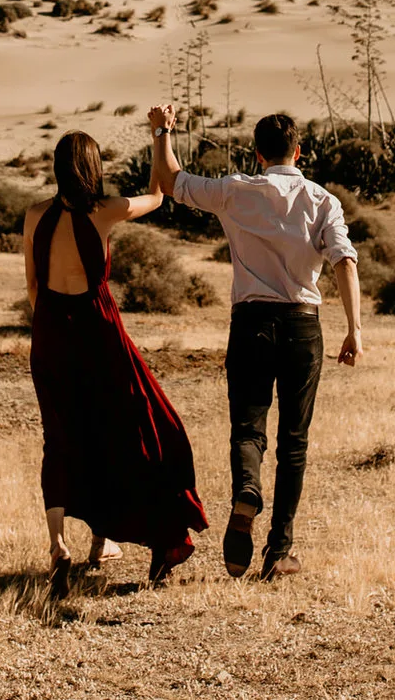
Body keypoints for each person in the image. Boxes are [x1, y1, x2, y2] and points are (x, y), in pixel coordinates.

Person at [150, 107, 361, 581]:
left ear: (258, 153)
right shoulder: (322, 200)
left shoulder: (234, 190)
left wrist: (163, 131)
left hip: (250, 323)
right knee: (294, 442)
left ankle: (247, 488)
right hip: (303, 326)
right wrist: (355, 329)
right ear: (299, 152)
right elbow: (345, 262)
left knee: (248, 428)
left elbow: (171, 181)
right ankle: (278, 551)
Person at [23, 128, 208, 590]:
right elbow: (156, 197)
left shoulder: (34, 215)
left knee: (60, 436)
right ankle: (130, 535)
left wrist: (50, 327)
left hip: (49, 330)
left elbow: (31, 286)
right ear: (93, 167)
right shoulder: (104, 212)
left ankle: (60, 543)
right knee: (133, 424)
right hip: (97, 330)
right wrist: (159, 135)